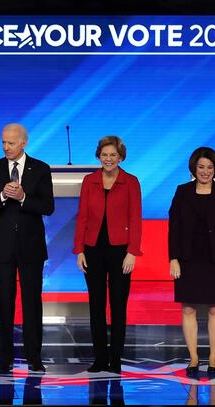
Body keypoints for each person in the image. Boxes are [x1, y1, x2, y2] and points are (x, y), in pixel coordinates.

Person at [0, 123, 54, 374]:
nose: (5, 147)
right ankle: (5, 358)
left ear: (23, 143)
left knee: (32, 303)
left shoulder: (40, 169)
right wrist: (2, 195)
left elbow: (48, 206)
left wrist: (22, 197)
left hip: (31, 248)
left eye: (10, 143)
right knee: (4, 304)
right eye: (3, 142)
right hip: (2, 248)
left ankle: (34, 357)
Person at [73, 136, 142, 374]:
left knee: (118, 305)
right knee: (96, 305)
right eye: (104, 155)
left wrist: (132, 252)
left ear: (120, 157)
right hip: (92, 248)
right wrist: (79, 249)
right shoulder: (89, 180)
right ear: (98, 156)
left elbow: (135, 218)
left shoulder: (131, 181)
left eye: (113, 155)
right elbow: (81, 216)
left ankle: (116, 359)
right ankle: (100, 358)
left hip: (120, 249)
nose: (109, 159)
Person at [168, 147, 215, 377]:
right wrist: (173, 258)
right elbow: (174, 228)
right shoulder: (182, 191)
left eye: (209, 167)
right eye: (201, 167)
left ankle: (213, 356)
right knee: (188, 308)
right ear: (193, 168)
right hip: (188, 259)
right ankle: (194, 356)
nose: (205, 172)